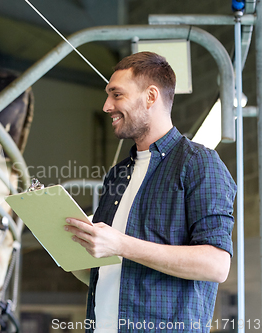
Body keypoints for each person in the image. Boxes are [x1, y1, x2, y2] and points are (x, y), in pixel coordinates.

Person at [64, 51, 236, 333]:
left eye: (116, 94)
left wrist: (120, 244)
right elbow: (114, 272)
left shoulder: (198, 164)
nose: (107, 106)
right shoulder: (118, 175)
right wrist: (69, 245)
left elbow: (216, 264)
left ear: (151, 97)